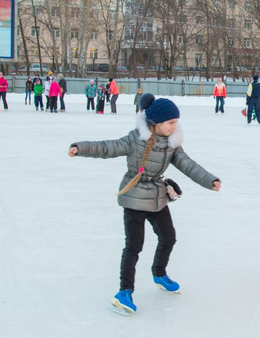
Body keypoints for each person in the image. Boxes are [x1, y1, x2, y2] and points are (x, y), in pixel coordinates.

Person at [68, 95, 222, 316]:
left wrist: (209, 180)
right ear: (157, 122)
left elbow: (188, 165)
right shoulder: (135, 139)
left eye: (175, 122)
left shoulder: (172, 146)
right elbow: (106, 147)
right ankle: (124, 292)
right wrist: (79, 148)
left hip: (157, 197)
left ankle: (159, 273)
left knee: (168, 237)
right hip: (134, 197)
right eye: (170, 122)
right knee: (134, 245)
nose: (174, 126)